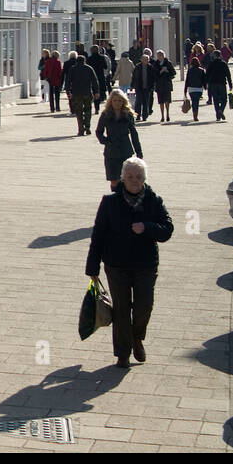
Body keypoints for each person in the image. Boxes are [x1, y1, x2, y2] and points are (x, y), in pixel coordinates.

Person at [84, 157, 173, 368]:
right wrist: (92, 267)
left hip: (145, 265)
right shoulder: (109, 202)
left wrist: (147, 227)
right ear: (123, 178)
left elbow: (168, 230)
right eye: (130, 176)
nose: (134, 180)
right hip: (117, 265)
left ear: (145, 178)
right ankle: (122, 353)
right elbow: (98, 235)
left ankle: (137, 337)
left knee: (144, 306)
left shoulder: (154, 200)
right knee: (121, 309)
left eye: (139, 177)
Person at [95, 90, 142, 191]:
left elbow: (134, 134)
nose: (117, 103)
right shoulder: (105, 114)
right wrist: (106, 141)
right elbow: (98, 132)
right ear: (111, 101)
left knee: (126, 180)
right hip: (111, 152)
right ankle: (115, 200)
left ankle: (125, 201)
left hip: (125, 151)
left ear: (123, 101)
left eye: (120, 101)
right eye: (115, 100)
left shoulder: (128, 114)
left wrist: (139, 152)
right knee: (114, 180)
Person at [63, 51, 100, 135]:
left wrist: (68, 91)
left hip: (76, 93)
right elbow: (94, 81)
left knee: (78, 111)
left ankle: (81, 129)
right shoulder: (89, 68)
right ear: (84, 60)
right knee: (88, 110)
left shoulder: (72, 69)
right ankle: (87, 127)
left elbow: (68, 81)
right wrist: (96, 91)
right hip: (87, 92)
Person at [205, 49, 233, 121]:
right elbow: (228, 75)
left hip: (213, 84)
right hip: (222, 83)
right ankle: (221, 110)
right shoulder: (224, 63)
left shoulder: (211, 63)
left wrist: (205, 84)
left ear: (214, 56)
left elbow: (207, 74)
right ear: (220, 55)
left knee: (216, 100)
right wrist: (230, 85)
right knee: (224, 99)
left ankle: (218, 115)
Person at [131, 52, 156, 123]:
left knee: (146, 102)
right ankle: (137, 116)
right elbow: (134, 77)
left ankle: (145, 116)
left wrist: (152, 86)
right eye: (144, 59)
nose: (146, 61)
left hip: (147, 87)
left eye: (147, 59)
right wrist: (132, 85)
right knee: (138, 102)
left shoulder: (150, 67)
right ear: (141, 60)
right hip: (139, 87)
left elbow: (153, 78)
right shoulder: (137, 67)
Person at [87, 45, 112, 117]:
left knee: (93, 92)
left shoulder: (89, 58)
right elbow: (105, 66)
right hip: (100, 77)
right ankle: (97, 108)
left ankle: (93, 106)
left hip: (92, 77)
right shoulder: (101, 57)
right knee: (98, 92)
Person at [152, 50, 175, 122]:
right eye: (158, 56)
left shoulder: (168, 63)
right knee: (161, 101)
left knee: (167, 100)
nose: (159, 57)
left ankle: (167, 114)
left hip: (167, 85)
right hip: (159, 85)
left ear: (163, 56)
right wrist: (161, 71)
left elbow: (173, 73)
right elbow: (154, 75)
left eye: (160, 55)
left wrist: (167, 71)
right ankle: (162, 116)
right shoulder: (155, 64)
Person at [184, 55, 207, 121]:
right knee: (196, 102)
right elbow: (204, 80)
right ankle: (195, 115)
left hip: (191, 89)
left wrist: (185, 91)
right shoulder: (201, 70)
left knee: (194, 101)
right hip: (199, 89)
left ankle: (194, 115)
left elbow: (187, 81)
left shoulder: (190, 71)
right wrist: (205, 87)